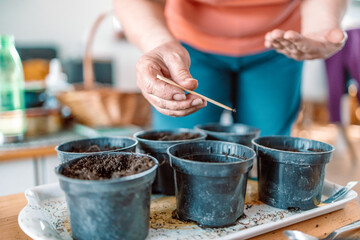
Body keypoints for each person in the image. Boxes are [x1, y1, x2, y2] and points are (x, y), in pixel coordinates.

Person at [114, 0, 347, 135]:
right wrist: (158, 43)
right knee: (178, 145)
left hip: (281, 45)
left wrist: (321, 25)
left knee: (266, 149)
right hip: (186, 48)